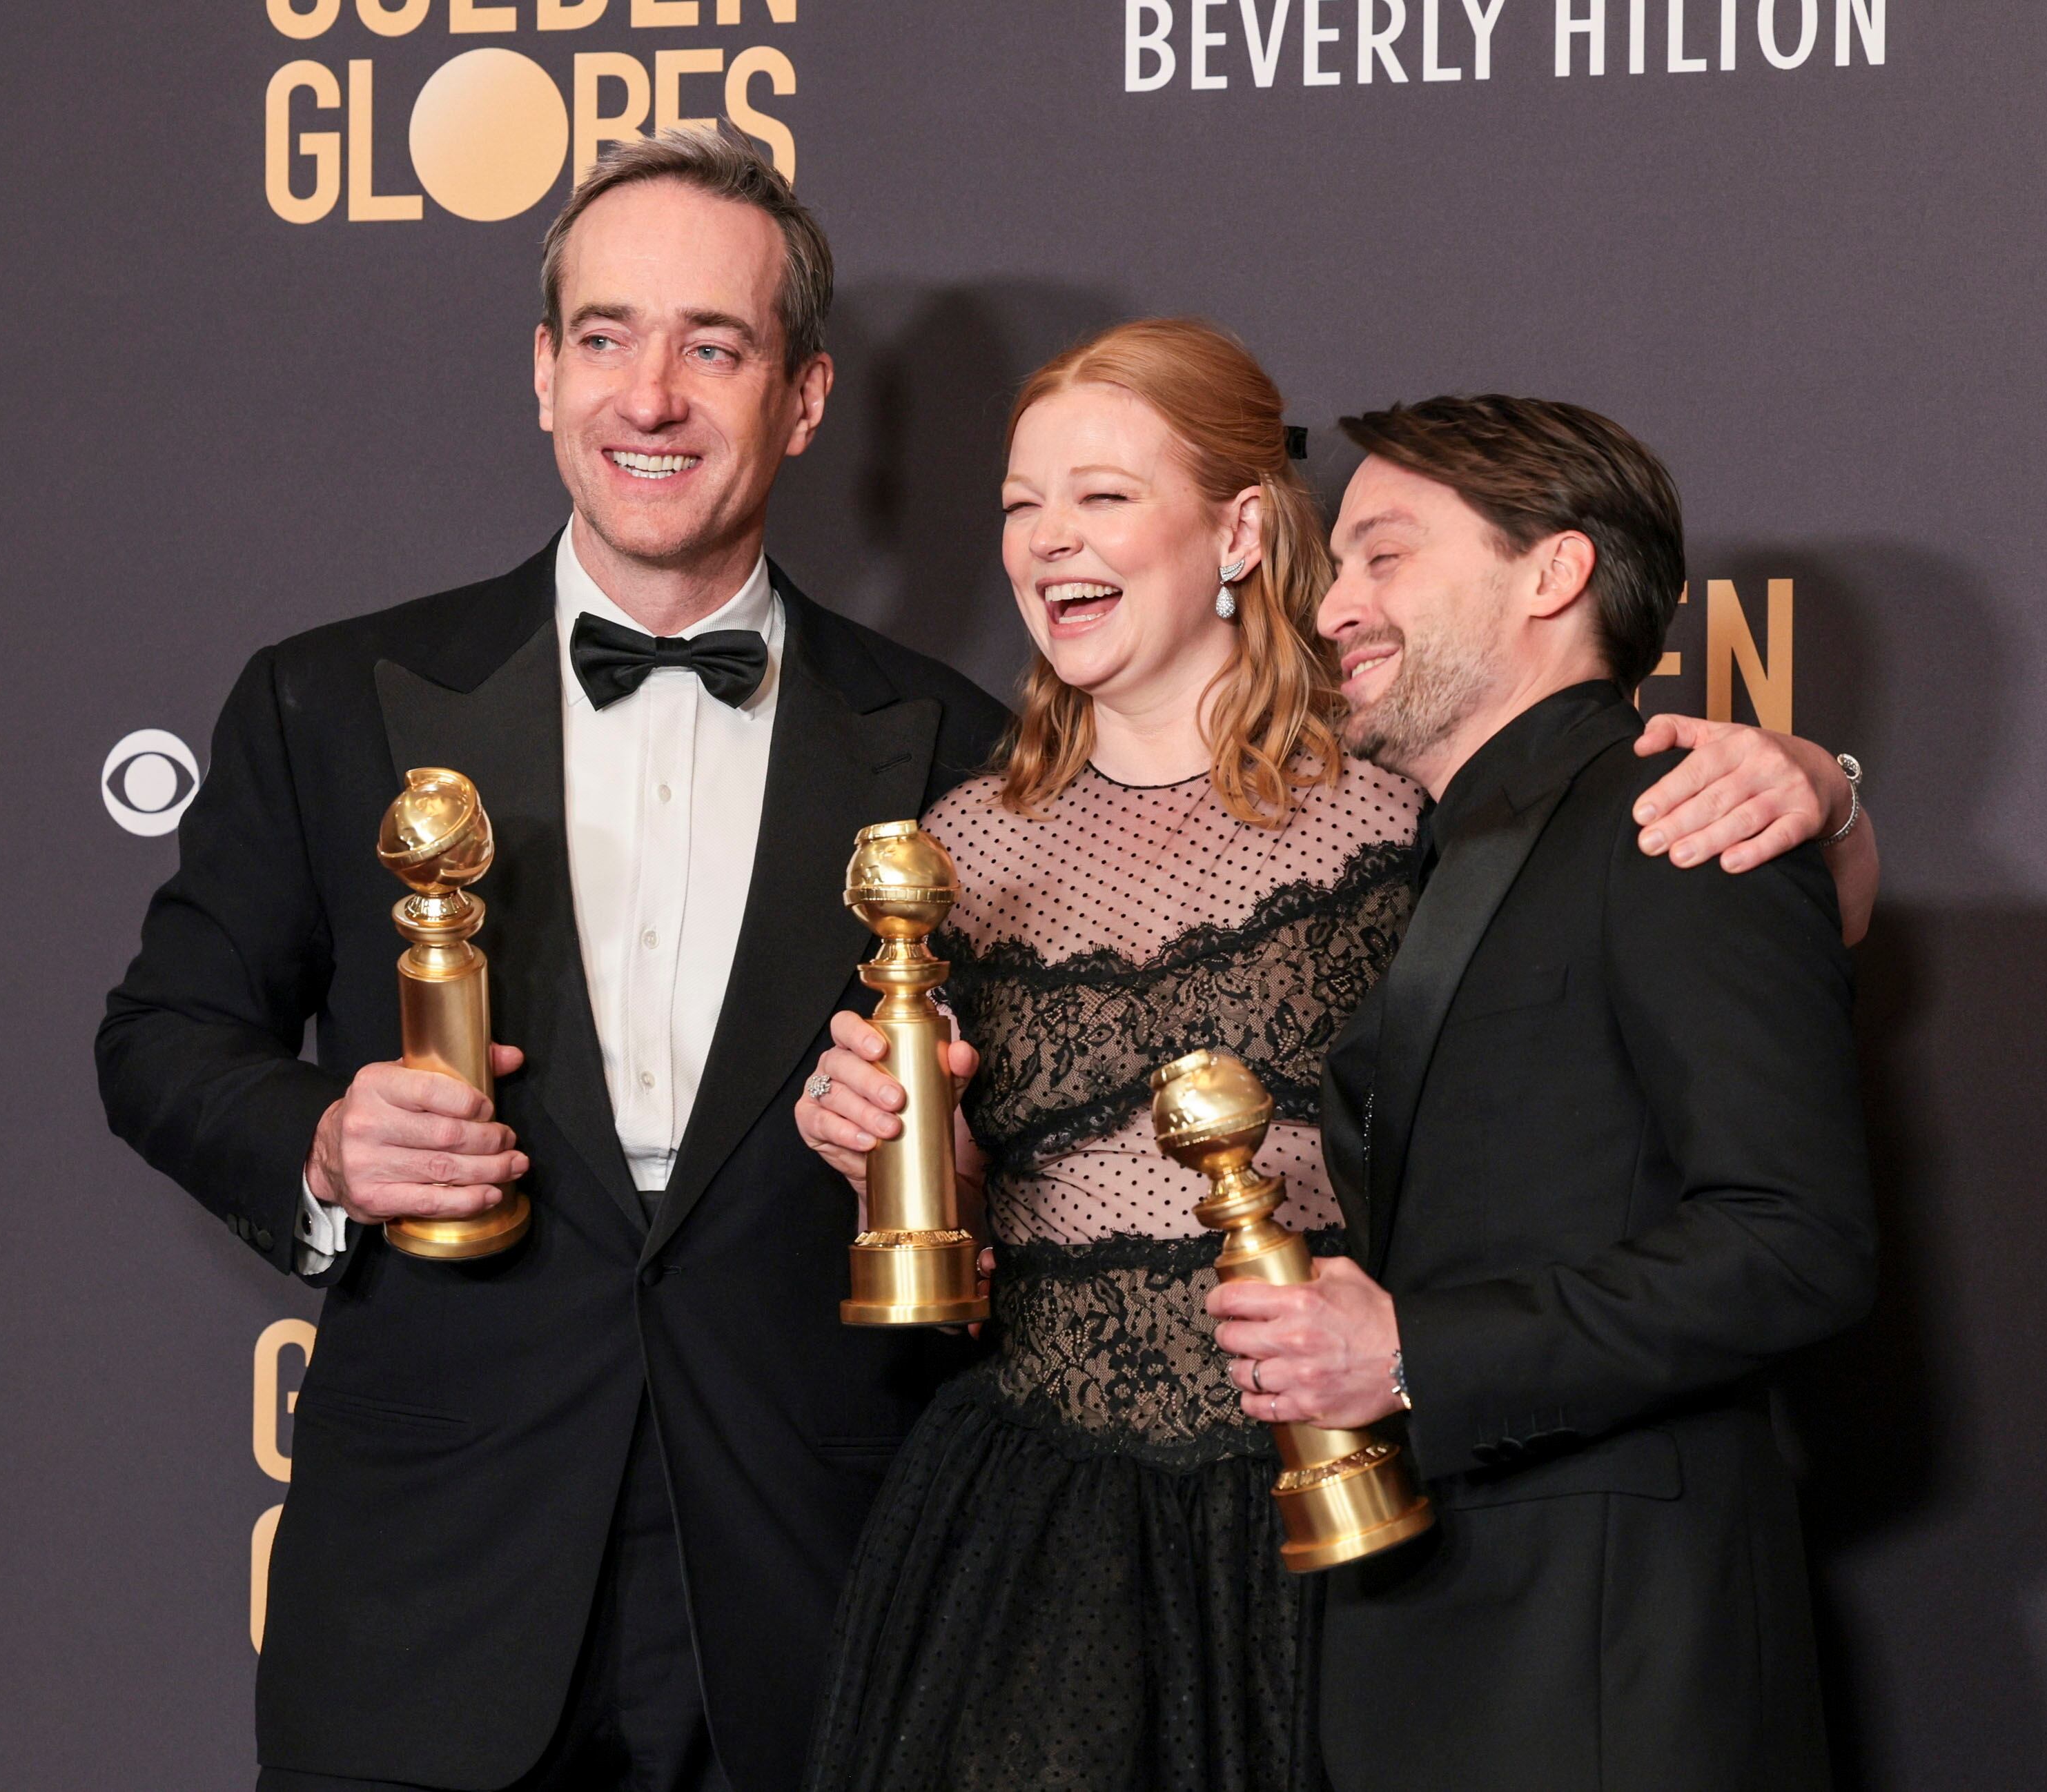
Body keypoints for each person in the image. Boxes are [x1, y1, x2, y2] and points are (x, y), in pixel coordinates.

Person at [791, 325, 1878, 1792]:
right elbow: (963, 1255)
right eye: (1016, 504)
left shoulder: (1408, 797)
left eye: (1101, 497)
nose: (1049, 540)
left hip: (1339, 1506)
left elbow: (1725, 945)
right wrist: (916, 1162)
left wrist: (1816, 783)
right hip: (1032, 1523)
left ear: (1239, 529)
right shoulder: (951, 845)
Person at [95, 133, 1008, 1792]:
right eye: (603, 336)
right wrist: (319, 1140)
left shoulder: (955, 745)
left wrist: (948, 1140)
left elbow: (1043, 1146)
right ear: (540, 372)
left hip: (815, 1585)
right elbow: (163, 1035)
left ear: (802, 398)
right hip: (433, 1593)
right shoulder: (329, 700)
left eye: (711, 348)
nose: (647, 396)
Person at [1208, 395, 1877, 1790]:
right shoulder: (1458, 851)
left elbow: (1791, 1241)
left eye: (1383, 557)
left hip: (1607, 1667)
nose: (1332, 607)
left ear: (1554, 573)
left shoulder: (1676, 816)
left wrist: (1412, 1357)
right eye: (1335, 567)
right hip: (1441, 1640)